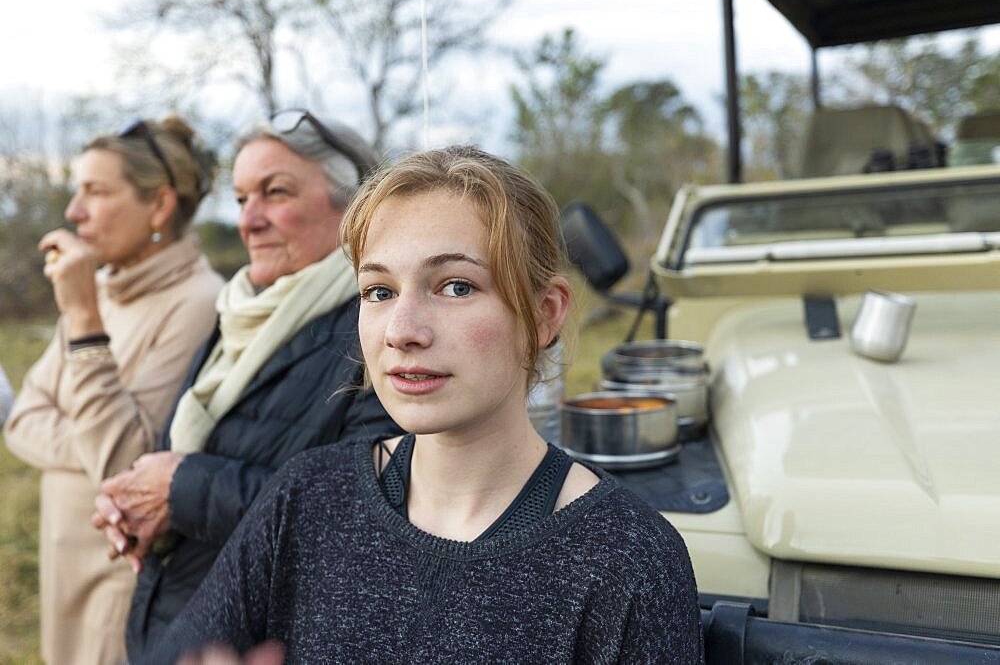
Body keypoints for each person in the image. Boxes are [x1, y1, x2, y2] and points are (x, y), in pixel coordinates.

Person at [148, 146, 705, 664]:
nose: (402, 331)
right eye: (379, 291)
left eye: (456, 286)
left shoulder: (627, 559)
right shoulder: (306, 500)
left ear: (544, 314)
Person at [92, 109, 399, 661]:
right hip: (178, 621)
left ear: (353, 207)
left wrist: (179, 491)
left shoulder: (380, 330)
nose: (248, 220)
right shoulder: (239, 313)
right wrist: (140, 511)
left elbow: (361, 518)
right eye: (239, 199)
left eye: (274, 193)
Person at [3, 116, 224, 665]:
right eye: (76, 191)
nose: (74, 212)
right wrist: (95, 439)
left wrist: (82, 317)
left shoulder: (198, 302)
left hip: (120, 579)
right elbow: (20, 420)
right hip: (61, 563)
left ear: (159, 205)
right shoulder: (100, 286)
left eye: (96, 192)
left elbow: (126, 459)